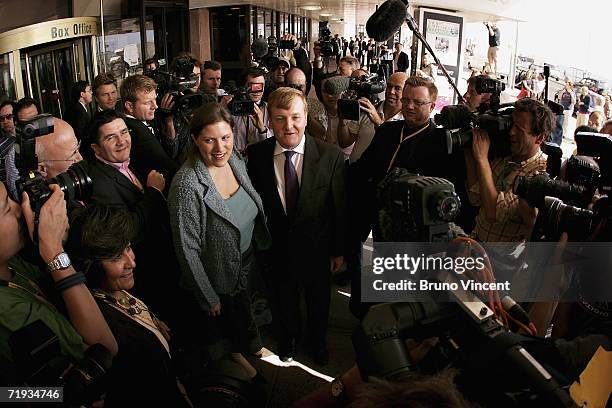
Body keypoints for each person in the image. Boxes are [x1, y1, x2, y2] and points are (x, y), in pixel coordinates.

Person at [246, 88, 348, 365]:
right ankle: (288, 339)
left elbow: (338, 208)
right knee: (283, 299)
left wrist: (338, 251)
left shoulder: (330, 156)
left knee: (318, 301)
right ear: (269, 120)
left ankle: (317, 341)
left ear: (305, 118)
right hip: (276, 247)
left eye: (295, 117)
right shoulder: (255, 156)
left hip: (318, 247)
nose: (288, 126)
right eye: (279, 118)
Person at [168, 102, 270, 379]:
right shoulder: (187, 184)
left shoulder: (234, 159)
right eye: (209, 140)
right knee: (226, 331)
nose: (219, 148)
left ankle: (248, 348)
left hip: (246, 260)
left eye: (225, 137)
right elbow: (186, 248)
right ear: (195, 140)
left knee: (244, 315)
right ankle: (237, 364)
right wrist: (207, 295)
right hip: (218, 274)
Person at [68, 205, 190, 407]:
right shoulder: (104, 321)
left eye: (128, 247)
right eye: (116, 257)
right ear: (91, 265)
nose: (131, 262)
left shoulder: (120, 290)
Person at [0, 182, 117, 382]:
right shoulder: (6, 311)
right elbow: (104, 349)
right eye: (6, 208)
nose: (19, 209)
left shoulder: (10, 264)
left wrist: (52, 238)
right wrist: (53, 250)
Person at [5, 118, 82, 201]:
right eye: (73, 155)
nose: (80, 158)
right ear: (42, 169)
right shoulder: (52, 211)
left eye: (78, 149)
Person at [120, 74, 180, 183]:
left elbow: (169, 151)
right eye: (148, 102)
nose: (155, 106)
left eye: (154, 100)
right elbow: (168, 165)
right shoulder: (137, 131)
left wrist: (169, 122)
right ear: (129, 106)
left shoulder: (146, 121)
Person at [232, 67, 273, 154]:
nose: (257, 91)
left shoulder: (271, 110)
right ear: (244, 87)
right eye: (252, 86)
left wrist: (262, 128)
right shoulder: (232, 108)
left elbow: (273, 144)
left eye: (260, 86)